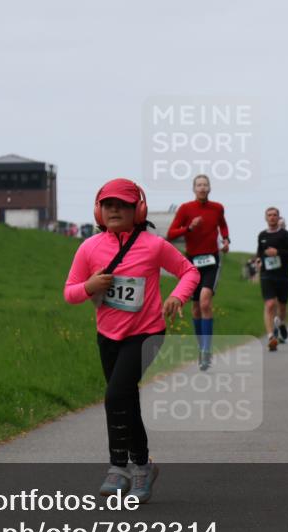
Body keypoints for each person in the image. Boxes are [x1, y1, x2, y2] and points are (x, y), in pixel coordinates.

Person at [64, 178, 199, 503]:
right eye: (108, 205)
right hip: (108, 336)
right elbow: (70, 293)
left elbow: (190, 272)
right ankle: (143, 467)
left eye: (122, 205)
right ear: (98, 210)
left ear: (138, 210)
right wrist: (90, 286)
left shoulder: (153, 246)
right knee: (126, 399)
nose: (114, 210)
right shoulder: (88, 248)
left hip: (146, 333)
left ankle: (118, 467)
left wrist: (177, 297)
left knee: (115, 396)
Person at [167, 174, 230, 371]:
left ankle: (206, 349)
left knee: (204, 302)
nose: (202, 188)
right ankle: (201, 348)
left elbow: (222, 225)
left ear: (209, 188)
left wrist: (226, 240)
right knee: (195, 308)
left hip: (212, 260)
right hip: (192, 263)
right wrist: (189, 228)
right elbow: (171, 233)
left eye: (205, 185)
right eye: (199, 185)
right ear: (194, 189)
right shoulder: (185, 209)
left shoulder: (217, 208)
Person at [256, 207, 288, 351]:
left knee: (282, 306)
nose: (272, 217)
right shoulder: (262, 235)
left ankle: (281, 324)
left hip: (283, 276)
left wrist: (278, 252)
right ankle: (271, 337)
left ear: (278, 217)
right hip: (266, 275)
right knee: (269, 304)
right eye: (269, 215)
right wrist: (259, 260)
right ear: (266, 218)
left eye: (275, 215)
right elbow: (260, 252)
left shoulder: (285, 234)